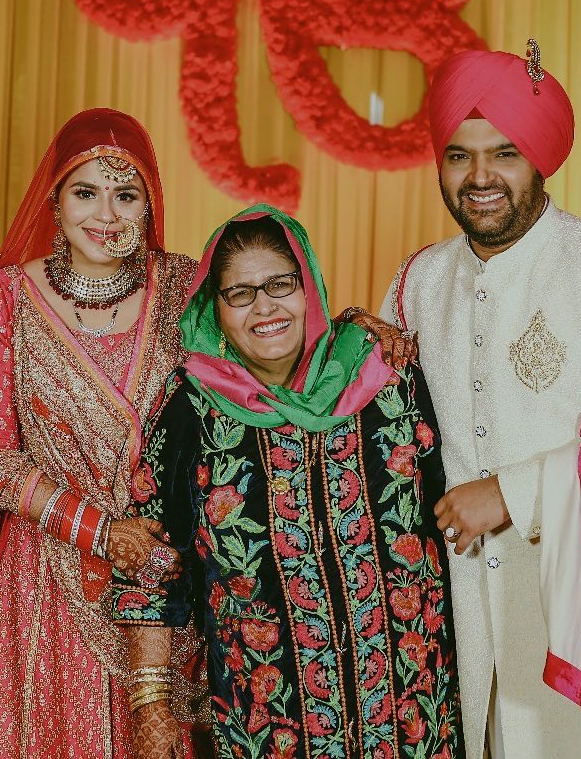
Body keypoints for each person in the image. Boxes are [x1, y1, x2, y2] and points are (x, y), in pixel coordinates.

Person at [378, 43, 581, 758]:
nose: (479, 177)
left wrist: (507, 493)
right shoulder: (417, 280)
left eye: (504, 153)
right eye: (458, 156)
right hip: (459, 614)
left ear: (540, 158)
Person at [0, 108, 208, 758]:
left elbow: (268, 357)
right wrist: (101, 532)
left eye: (126, 195)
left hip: (156, 575)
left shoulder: (186, 289)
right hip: (38, 577)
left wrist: (355, 330)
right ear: (55, 200)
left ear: (150, 203)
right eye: (86, 192)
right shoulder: (4, 299)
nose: (107, 215)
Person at [112, 205, 464, 759]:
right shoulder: (191, 411)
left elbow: (457, 502)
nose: (265, 307)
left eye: (280, 284)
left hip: (410, 717)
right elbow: (151, 557)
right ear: (214, 309)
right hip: (268, 726)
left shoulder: (387, 381)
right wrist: (150, 699)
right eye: (240, 293)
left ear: (309, 289)